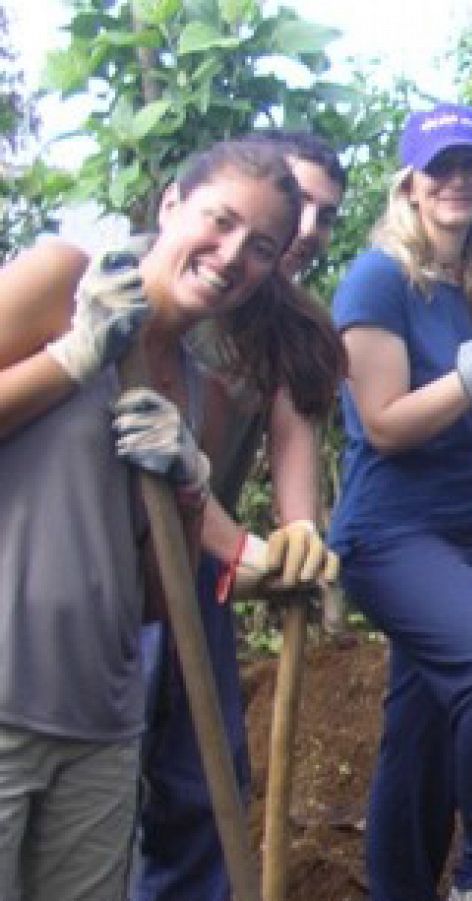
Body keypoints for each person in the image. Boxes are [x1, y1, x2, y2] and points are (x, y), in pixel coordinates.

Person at [0, 139, 309, 901]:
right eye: (220, 219)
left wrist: (188, 490)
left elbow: (150, 598)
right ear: (171, 205)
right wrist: (73, 359)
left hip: (101, 726)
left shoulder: (198, 396)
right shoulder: (64, 281)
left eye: (260, 247)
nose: (233, 253)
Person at [328, 102, 472, 901]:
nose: (456, 181)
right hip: (391, 535)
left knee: (420, 732)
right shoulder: (378, 278)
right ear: (411, 184)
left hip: (465, 524)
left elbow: (467, 422)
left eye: (471, 166)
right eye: (440, 168)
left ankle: (398, 888)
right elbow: (388, 424)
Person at [135, 129, 347, 901]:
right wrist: (238, 545)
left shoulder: (293, 329)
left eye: (321, 217)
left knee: (204, 777)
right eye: (301, 203)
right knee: (110, 768)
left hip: (194, 567)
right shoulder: (151, 286)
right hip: (114, 560)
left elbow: (296, 453)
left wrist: (298, 543)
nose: (307, 230)